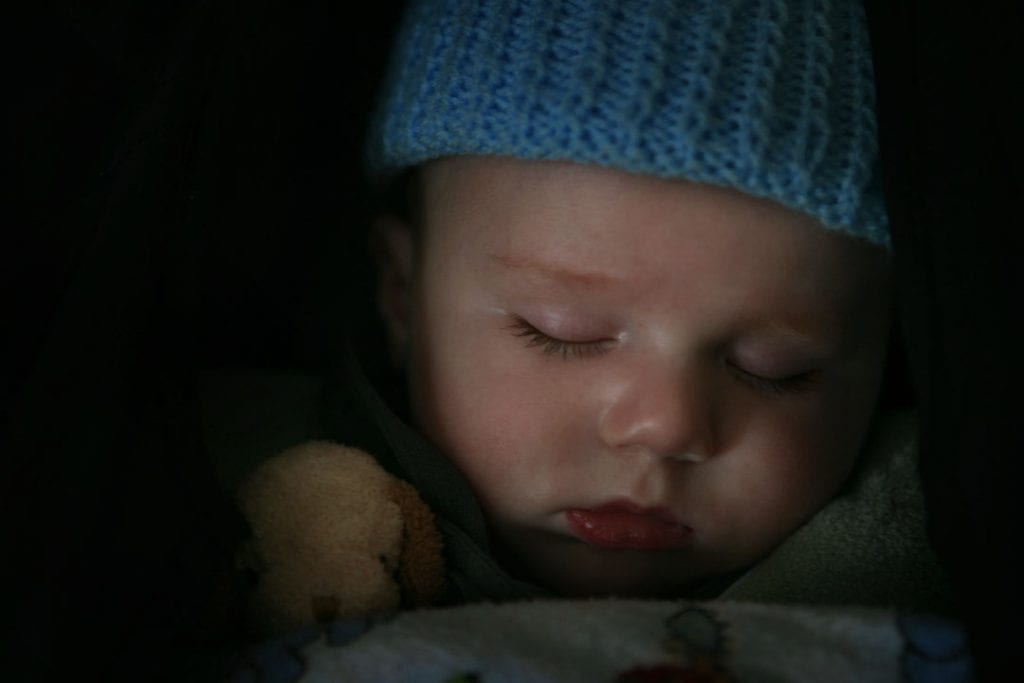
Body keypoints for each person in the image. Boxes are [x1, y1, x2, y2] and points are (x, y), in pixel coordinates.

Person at [340, 0, 952, 607]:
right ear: (400, 296)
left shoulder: (944, 555)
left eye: (775, 369)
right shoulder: (270, 503)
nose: (666, 427)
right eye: (563, 333)